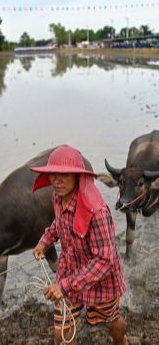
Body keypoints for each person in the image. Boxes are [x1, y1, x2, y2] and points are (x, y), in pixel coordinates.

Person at [31, 145, 127, 345]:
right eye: (53, 174)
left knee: (112, 321)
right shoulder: (58, 197)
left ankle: (122, 341)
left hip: (100, 282)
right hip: (69, 272)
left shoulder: (97, 212)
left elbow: (105, 260)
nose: (56, 181)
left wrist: (64, 286)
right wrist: (45, 241)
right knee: (61, 333)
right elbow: (59, 224)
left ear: (77, 176)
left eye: (64, 175)